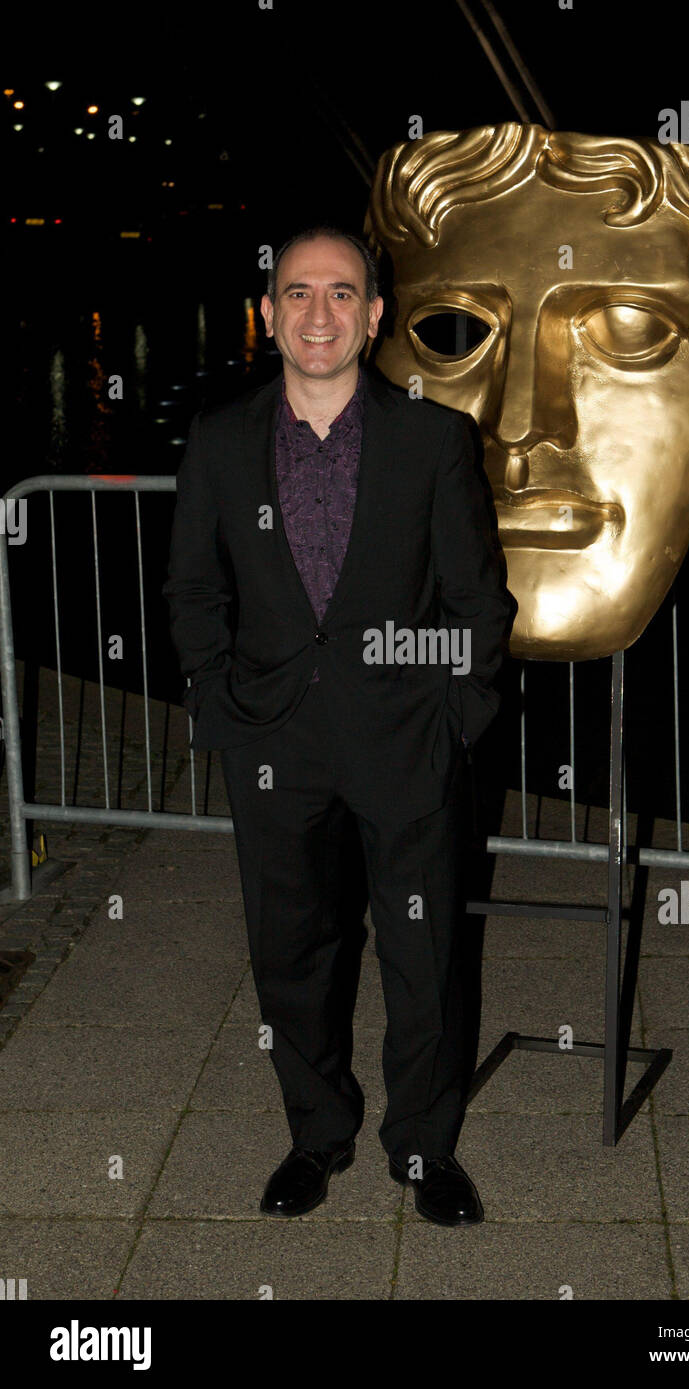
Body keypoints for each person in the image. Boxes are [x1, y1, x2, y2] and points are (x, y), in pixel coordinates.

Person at [163, 226, 514, 1226]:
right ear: (269, 314)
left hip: (407, 743)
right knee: (293, 955)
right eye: (299, 292)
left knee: (426, 956)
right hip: (273, 747)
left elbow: (478, 610)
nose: (319, 312)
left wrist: (454, 718)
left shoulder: (431, 438)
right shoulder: (222, 440)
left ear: (374, 315)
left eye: (342, 294)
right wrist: (220, 703)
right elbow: (194, 590)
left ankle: (424, 1149)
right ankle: (315, 1136)